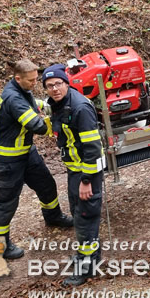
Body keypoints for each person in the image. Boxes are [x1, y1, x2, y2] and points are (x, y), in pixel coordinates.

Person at [0, 59, 73, 260]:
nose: (35, 84)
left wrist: (53, 104)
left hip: (26, 152)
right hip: (8, 159)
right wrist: (59, 119)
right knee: (6, 203)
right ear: (18, 78)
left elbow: (35, 104)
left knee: (46, 185)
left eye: (37, 79)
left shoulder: (21, 90)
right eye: (32, 80)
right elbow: (37, 125)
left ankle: (53, 217)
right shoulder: (13, 98)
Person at [42, 64, 104, 286]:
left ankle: (86, 269)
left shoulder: (79, 108)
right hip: (75, 170)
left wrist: (87, 181)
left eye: (58, 84)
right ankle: (90, 258)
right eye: (49, 86)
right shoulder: (60, 105)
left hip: (87, 173)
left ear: (66, 83)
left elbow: (93, 149)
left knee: (85, 219)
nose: (54, 89)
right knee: (79, 214)